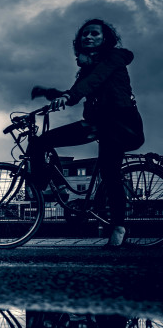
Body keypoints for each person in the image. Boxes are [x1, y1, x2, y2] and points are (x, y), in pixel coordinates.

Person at [31, 19, 144, 248]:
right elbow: (78, 91)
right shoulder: (87, 66)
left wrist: (69, 96)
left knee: (109, 172)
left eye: (94, 33)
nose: (88, 37)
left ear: (105, 38)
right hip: (97, 124)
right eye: (85, 34)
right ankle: (45, 186)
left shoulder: (114, 58)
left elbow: (94, 81)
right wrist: (51, 94)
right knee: (41, 142)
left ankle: (118, 228)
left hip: (121, 125)